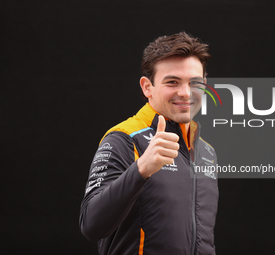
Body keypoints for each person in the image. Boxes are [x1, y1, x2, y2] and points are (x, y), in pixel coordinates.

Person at [79, 32, 219, 255]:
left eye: (194, 83)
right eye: (172, 82)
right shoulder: (124, 139)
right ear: (147, 87)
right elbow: (91, 225)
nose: (185, 93)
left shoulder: (206, 152)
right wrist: (141, 169)